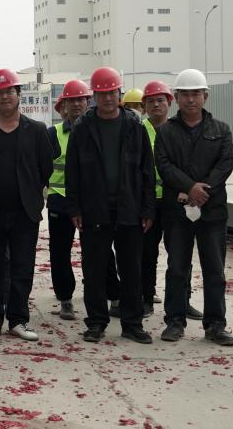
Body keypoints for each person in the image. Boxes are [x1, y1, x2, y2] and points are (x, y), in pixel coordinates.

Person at [64, 67, 156, 344]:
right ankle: (96, 322)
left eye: (111, 93)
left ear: (119, 94)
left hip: (129, 208)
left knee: (131, 269)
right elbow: (72, 171)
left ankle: (132, 323)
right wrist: (75, 208)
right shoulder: (83, 128)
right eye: (101, 94)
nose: (107, 98)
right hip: (94, 209)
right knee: (94, 270)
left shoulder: (134, 126)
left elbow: (147, 170)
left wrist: (148, 209)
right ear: (94, 96)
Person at [0, 69, 52, 343]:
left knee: (22, 268)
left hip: (24, 213)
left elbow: (45, 168)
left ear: (18, 95)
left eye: (10, 91)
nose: (5, 96)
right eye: (0, 92)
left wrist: (28, 191)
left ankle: (18, 320)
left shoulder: (36, 130)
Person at [155, 69, 233, 345]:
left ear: (205, 96)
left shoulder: (221, 130)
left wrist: (202, 191)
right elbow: (164, 165)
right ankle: (174, 321)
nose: (191, 99)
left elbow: (225, 165)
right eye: (185, 94)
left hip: (212, 211)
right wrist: (190, 187)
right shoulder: (166, 131)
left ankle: (215, 325)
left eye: (196, 94)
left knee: (214, 270)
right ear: (176, 98)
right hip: (177, 213)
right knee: (177, 267)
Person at [140, 79, 202, 320]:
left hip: (176, 200)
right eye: (151, 101)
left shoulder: (180, 130)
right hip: (147, 202)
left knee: (180, 254)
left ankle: (183, 301)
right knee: (146, 253)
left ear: (170, 102)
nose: (156, 105)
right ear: (144, 106)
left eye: (161, 100)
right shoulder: (137, 131)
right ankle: (146, 299)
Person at [43, 79, 97, 321]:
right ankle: (65, 298)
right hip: (60, 201)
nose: (76, 104)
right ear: (63, 106)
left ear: (88, 102)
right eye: (71, 100)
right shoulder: (52, 134)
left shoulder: (96, 131)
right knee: (60, 252)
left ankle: (105, 295)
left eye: (80, 99)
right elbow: (42, 166)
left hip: (90, 201)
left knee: (95, 251)